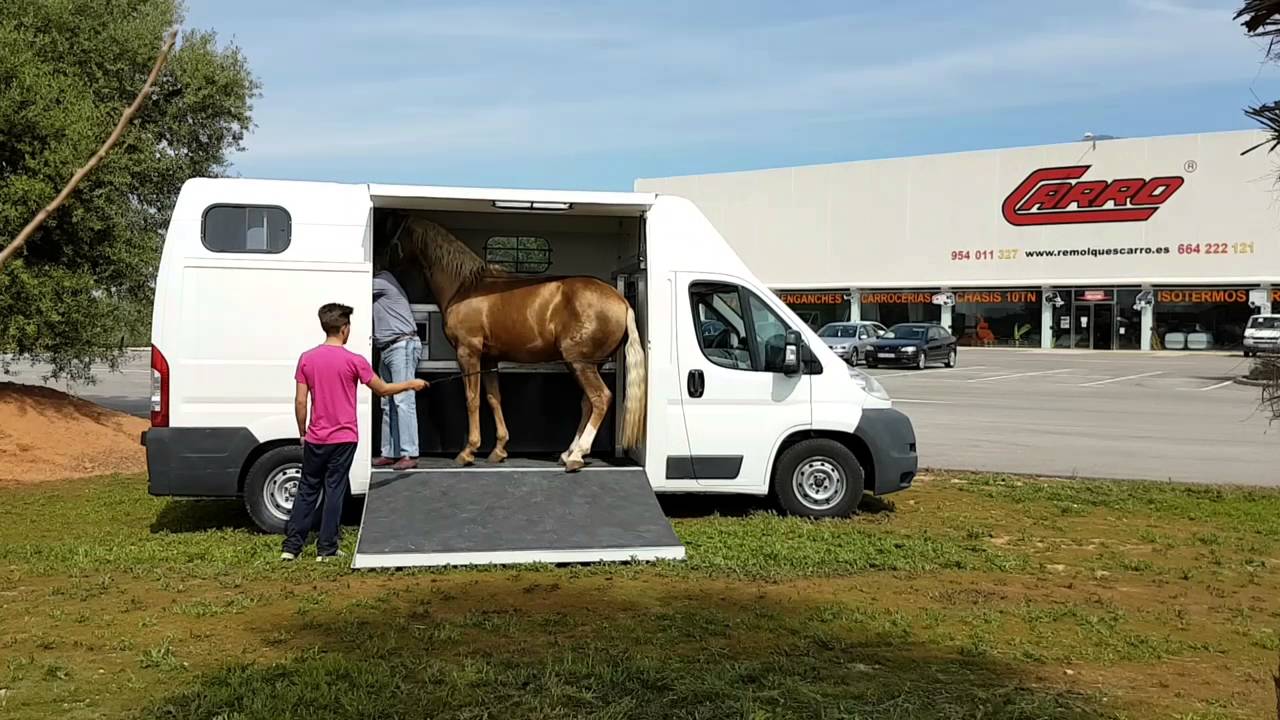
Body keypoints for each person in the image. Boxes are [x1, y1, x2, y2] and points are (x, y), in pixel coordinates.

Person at [283, 302, 427, 562]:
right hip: (344, 438)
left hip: (316, 437)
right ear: (344, 329)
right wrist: (411, 383)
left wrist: (302, 431)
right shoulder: (355, 361)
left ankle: (291, 547)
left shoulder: (307, 359)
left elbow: (301, 401)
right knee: (334, 490)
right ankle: (326, 549)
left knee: (307, 489)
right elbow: (382, 389)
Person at [372, 260, 423, 471]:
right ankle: (390, 452)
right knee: (388, 402)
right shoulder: (383, 282)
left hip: (401, 345)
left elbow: (352, 285)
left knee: (403, 400)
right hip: (388, 347)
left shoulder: (382, 281)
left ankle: (409, 453)